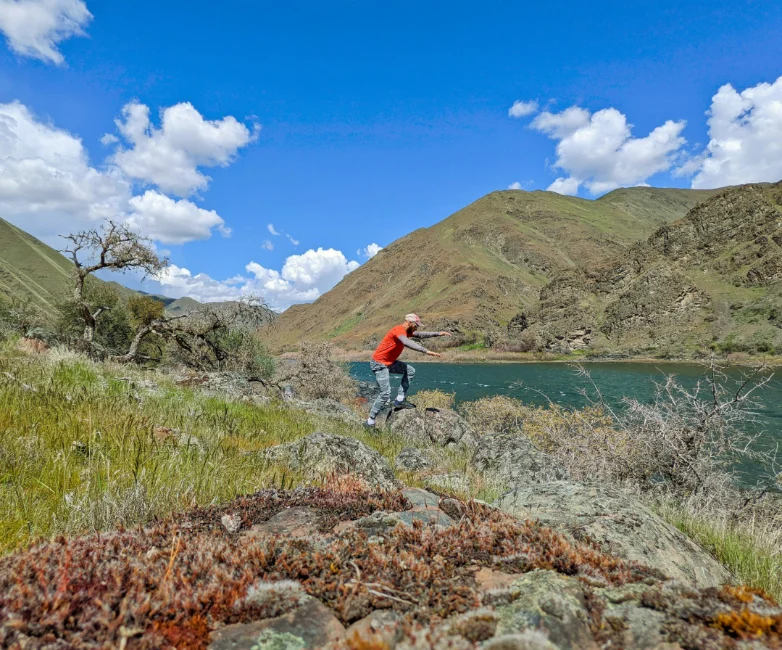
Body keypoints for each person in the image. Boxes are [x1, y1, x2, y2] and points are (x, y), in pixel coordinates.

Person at [365, 314, 451, 428]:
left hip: (389, 363)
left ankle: (399, 400)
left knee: (410, 370)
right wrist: (426, 351)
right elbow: (407, 342)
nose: (417, 328)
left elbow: (420, 335)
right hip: (379, 364)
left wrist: (438, 333)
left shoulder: (406, 331)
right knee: (385, 394)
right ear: (410, 323)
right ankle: (370, 422)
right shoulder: (398, 331)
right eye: (416, 325)